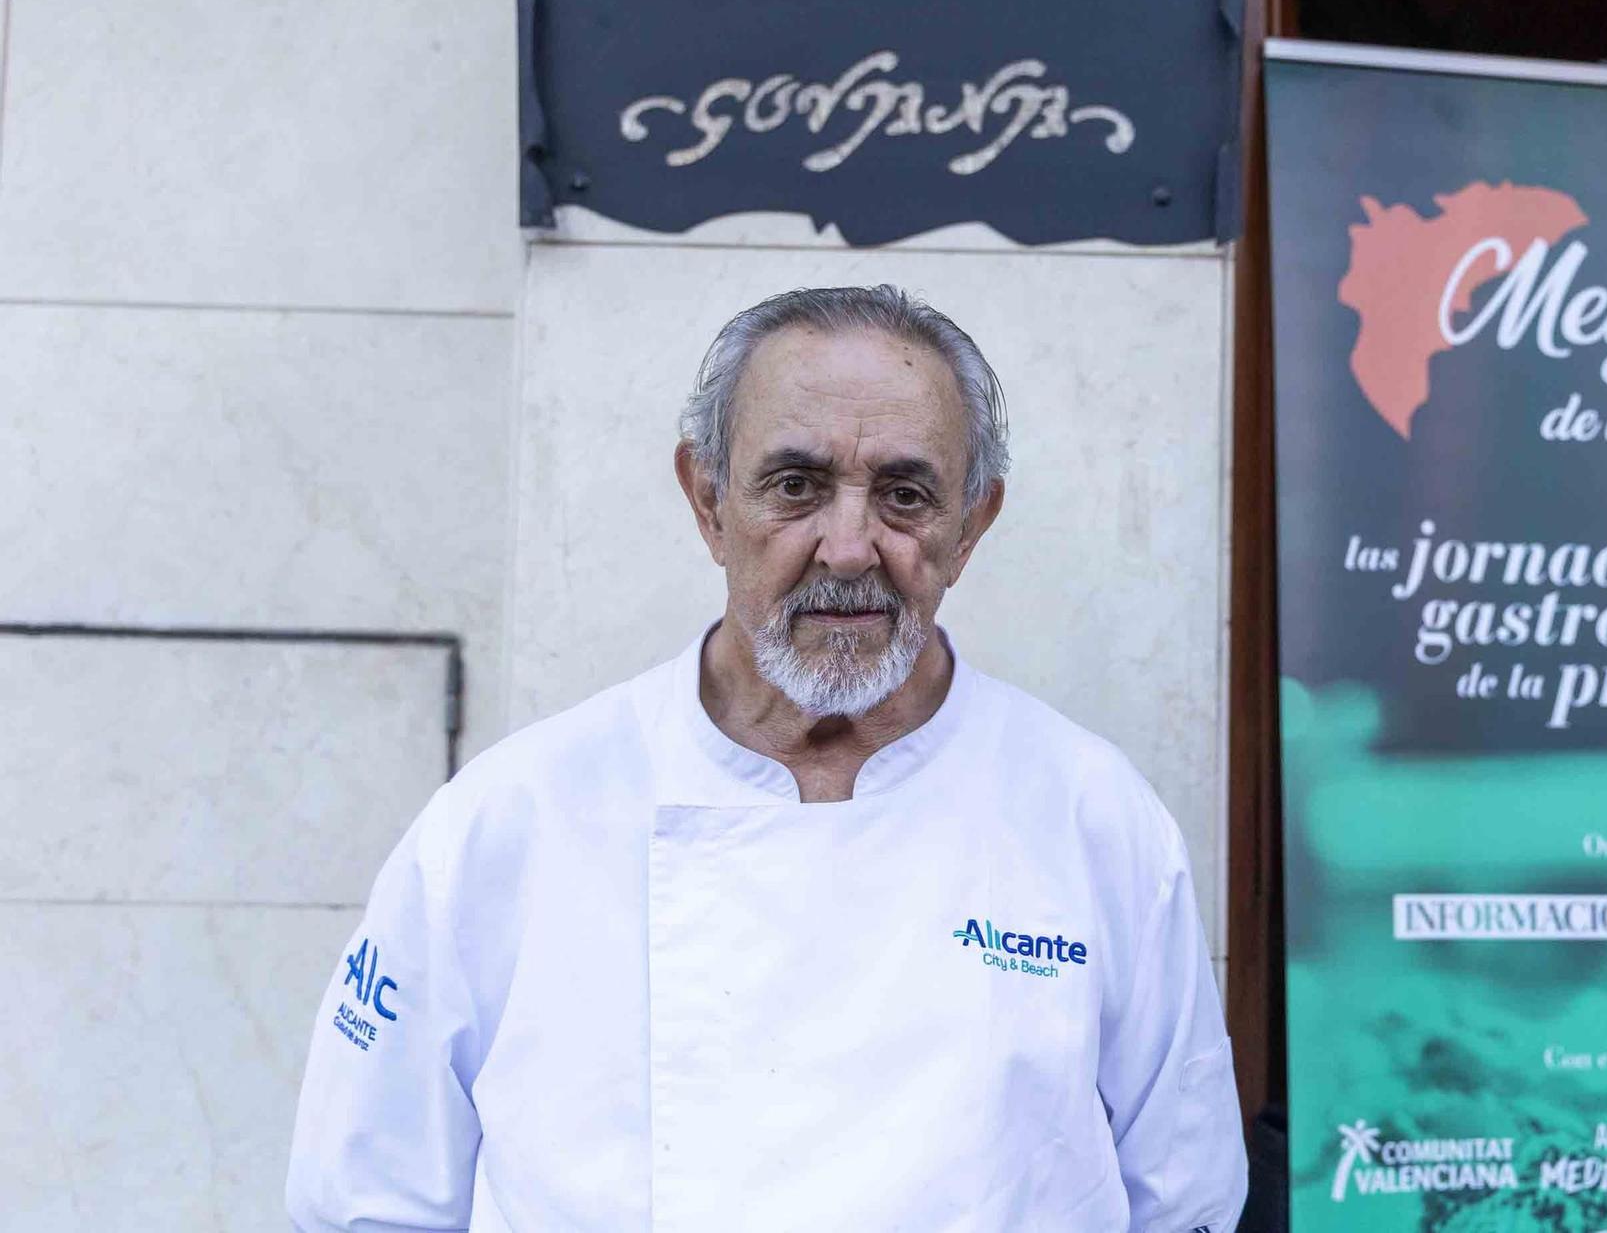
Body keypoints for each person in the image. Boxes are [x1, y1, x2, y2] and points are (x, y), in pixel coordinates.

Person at [284, 284, 1248, 1232]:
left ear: (972, 526)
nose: (847, 546)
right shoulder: (507, 822)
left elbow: (1187, 1196)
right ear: (707, 499)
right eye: (796, 485)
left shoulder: (1095, 820)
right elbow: (365, 1200)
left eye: (905, 495)